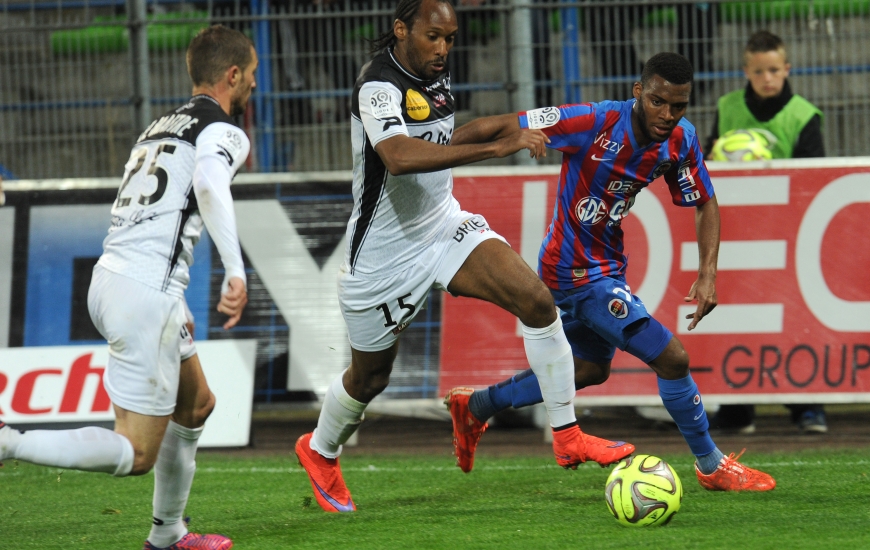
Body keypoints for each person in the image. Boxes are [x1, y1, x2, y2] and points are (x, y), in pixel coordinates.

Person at [294, 0, 635, 514]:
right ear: (401, 29)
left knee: (537, 302)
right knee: (370, 378)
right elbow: (400, 155)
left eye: (450, 38)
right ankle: (319, 451)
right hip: (384, 256)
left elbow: (445, 138)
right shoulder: (378, 85)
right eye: (433, 37)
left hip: (444, 227)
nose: (443, 48)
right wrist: (495, 151)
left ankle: (567, 435)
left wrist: (500, 130)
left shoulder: (437, 78)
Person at [445, 52, 777, 492]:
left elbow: (705, 201)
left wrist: (708, 272)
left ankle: (477, 407)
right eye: (658, 102)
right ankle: (711, 466)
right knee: (672, 357)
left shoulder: (681, 139)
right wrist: (435, 155)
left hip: (605, 266)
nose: (667, 115)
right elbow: (505, 124)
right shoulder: (592, 121)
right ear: (638, 92)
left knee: (587, 369)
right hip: (573, 271)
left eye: (678, 106)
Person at [0, 25, 255, 549]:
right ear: (233, 75)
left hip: (116, 276)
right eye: (251, 75)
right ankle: (7, 442)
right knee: (137, 453)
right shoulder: (224, 129)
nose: (254, 85)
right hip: (144, 294)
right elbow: (208, 185)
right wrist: (235, 269)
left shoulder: (157, 127)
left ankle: (169, 535)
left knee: (197, 404)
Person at [704, 30, 826, 434]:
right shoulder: (727, 107)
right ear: (747, 71)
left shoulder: (804, 116)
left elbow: (816, 180)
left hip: (790, 237)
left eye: (774, 70)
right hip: (738, 234)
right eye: (759, 71)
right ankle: (738, 410)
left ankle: (807, 406)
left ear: (786, 69)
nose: (767, 78)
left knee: (795, 316)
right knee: (737, 316)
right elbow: (705, 160)